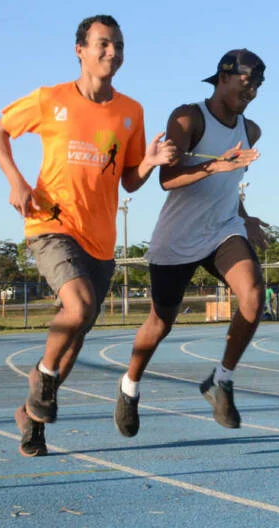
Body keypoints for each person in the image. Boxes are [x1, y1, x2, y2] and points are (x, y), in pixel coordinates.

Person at [0, 15, 177, 458]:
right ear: (80, 50)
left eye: (119, 46)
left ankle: (32, 419)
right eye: (103, 44)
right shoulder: (50, 99)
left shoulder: (131, 112)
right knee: (80, 305)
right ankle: (44, 379)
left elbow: (129, 180)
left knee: (77, 334)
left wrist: (148, 162)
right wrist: (16, 180)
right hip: (51, 223)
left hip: (101, 239)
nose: (112, 53)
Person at [114, 49, 267, 436]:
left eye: (258, 87)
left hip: (222, 230)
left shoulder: (251, 131)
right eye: (246, 83)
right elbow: (167, 179)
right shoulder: (188, 117)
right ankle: (129, 385)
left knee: (253, 296)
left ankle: (222, 379)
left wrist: (246, 219)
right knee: (160, 322)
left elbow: (229, 184)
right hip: (178, 237)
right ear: (223, 77)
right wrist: (215, 164)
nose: (251, 93)